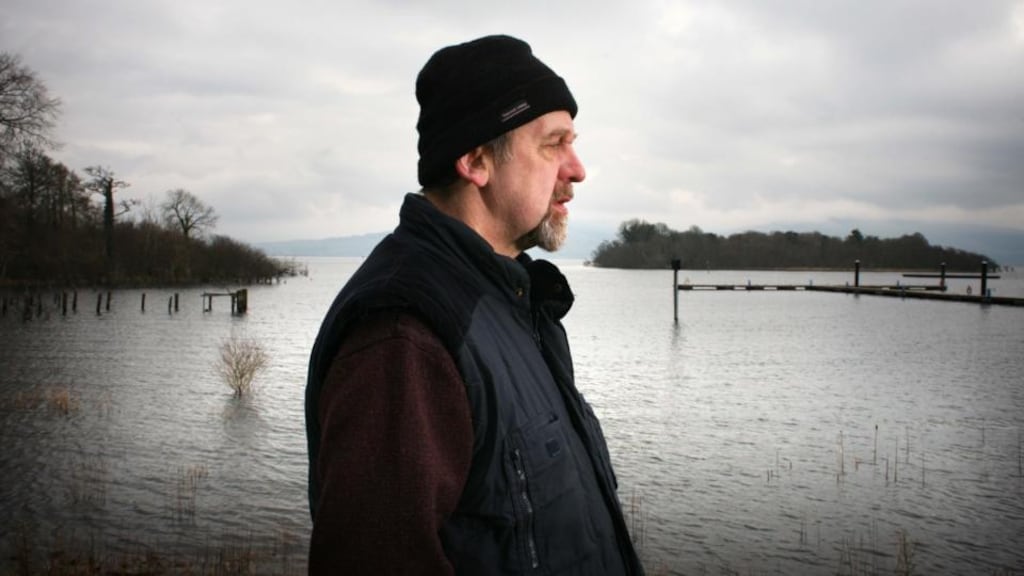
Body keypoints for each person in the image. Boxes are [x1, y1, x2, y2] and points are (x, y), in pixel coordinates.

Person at [305, 35, 644, 575]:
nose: (577, 169)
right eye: (553, 144)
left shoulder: (514, 304)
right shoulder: (406, 336)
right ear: (476, 160)